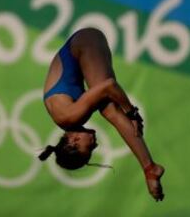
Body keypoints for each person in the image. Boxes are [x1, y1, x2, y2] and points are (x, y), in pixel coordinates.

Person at [39, 28, 165, 201]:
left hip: (84, 42)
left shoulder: (70, 117)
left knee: (110, 110)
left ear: (74, 141)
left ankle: (149, 169)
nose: (96, 145)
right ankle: (149, 168)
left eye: (89, 148)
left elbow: (109, 86)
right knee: (108, 109)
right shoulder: (66, 119)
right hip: (82, 42)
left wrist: (132, 113)